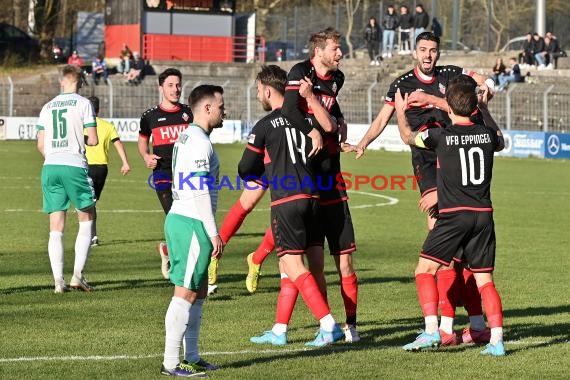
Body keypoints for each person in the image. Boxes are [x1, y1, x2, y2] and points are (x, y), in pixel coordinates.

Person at [354, 32, 494, 345]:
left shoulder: (452, 75)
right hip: (427, 167)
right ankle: (457, 325)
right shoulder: (401, 83)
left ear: (439, 52)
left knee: (451, 250)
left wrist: (484, 88)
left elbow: (482, 84)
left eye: (433, 50)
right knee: (448, 248)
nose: (428, 55)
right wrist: (364, 141)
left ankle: (446, 328)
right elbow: (384, 117)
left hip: (453, 162)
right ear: (415, 51)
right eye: (423, 50)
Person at [249, 27, 360, 344]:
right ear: (319, 50)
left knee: (345, 261)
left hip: (331, 178)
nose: (340, 53)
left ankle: (349, 327)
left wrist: (338, 126)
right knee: (308, 263)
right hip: (308, 177)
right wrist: (314, 128)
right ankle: (317, 326)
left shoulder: (337, 79)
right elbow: (288, 110)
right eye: (336, 48)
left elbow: (332, 111)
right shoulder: (300, 73)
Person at [394, 76, 506, 356]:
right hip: (483, 216)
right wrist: (485, 108)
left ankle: (432, 331)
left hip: (454, 216)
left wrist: (399, 110)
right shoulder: (488, 135)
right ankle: (497, 341)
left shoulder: (439, 136)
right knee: (485, 281)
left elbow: (409, 137)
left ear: (449, 109)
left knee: (424, 270)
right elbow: (500, 139)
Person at [240, 65, 344, 347]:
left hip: (287, 201)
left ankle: (328, 324)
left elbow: (244, 168)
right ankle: (279, 330)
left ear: (268, 90)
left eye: (259, 90)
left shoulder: (264, 126)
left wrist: (266, 170)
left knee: (293, 264)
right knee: (289, 267)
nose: (258, 95)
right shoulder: (305, 121)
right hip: (313, 200)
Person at [160, 84, 225, 377]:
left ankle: (193, 356)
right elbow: (198, 190)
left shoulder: (188, 136)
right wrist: (213, 232)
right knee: (185, 294)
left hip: (186, 219)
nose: (225, 111)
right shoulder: (199, 142)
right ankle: (170, 363)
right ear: (207, 108)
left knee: (198, 293)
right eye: (221, 106)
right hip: (190, 221)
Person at [36, 64, 98, 293]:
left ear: (61, 81)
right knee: (86, 217)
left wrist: (55, 153)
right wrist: (76, 140)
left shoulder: (47, 106)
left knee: (56, 225)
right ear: (80, 82)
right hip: (74, 165)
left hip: (50, 165)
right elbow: (92, 139)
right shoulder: (84, 104)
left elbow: (40, 144)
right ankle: (77, 276)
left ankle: (57, 282)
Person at [138, 68, 192, 280]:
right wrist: (146, 156)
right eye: (170, 85)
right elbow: (143, 141)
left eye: (178, 85)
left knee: (185, 219)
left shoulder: (188, 112)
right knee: (175, 217)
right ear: (161, 88)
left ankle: (169, 251)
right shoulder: (150, 116)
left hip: (187, 174)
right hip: (162, 173)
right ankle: (182, 270)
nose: (175, 89)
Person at [85, 96, 131, 246]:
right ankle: (92, 236)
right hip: (102, 170)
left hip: (84, 168)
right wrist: (125, 163)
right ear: (98, 109)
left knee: (86, 204)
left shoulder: (81, 125)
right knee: (91, 203)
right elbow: (118, 144)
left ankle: (89, 236)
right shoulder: (107, 126)